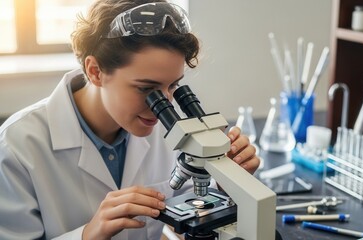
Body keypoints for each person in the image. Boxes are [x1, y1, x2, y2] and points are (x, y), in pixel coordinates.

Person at [0, 0, 260, 239]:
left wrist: (230, 185)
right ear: (95, 72)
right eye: (147, 90)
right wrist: (88, 234)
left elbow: (191, 210)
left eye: (173, 87)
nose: (164, 105)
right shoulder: (18, 146)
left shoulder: (167, 129)